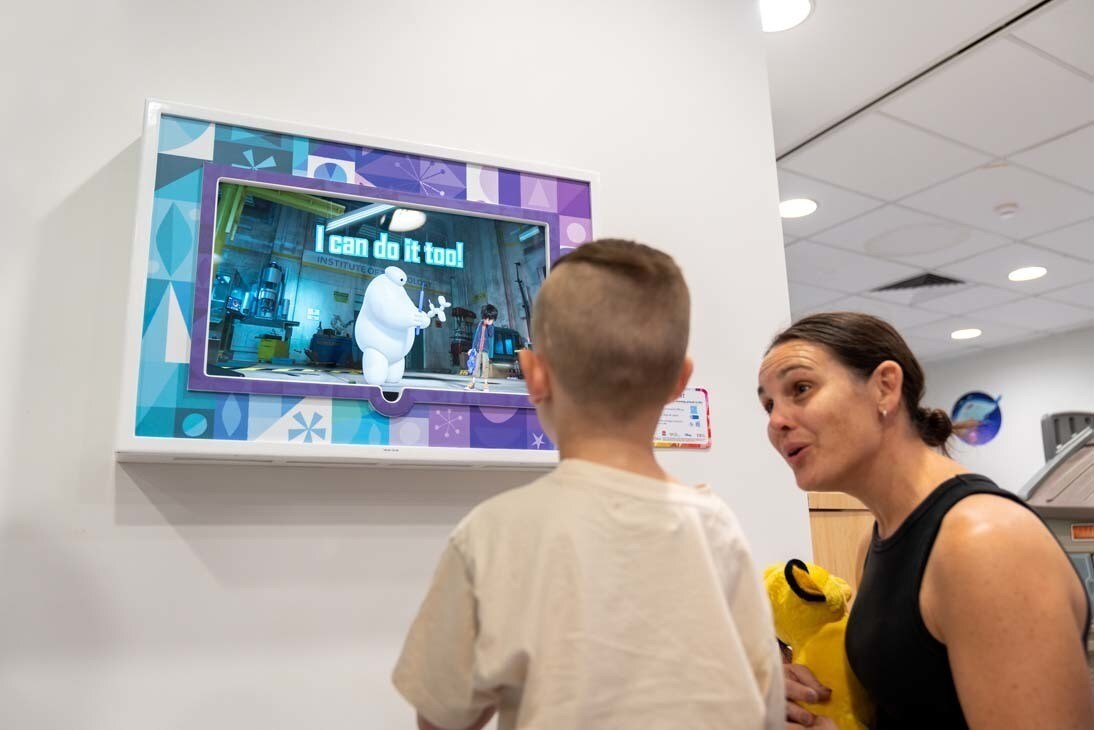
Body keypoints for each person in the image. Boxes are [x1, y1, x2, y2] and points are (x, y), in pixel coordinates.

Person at [393, 239, 784, 730]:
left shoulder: (491, 534)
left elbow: (442, 718)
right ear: (679, 381)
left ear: (534, 375)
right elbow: (766, 702)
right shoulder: (719, 529)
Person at [756, 312, 1093, 730]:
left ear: (885, 387)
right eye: (768, 404)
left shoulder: (984, 542)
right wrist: (817, 698)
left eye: (800, 389)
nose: (776, 421)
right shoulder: (876, 539)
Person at [465, 303, 497, 392]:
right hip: (478, 350)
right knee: (476, 366)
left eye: (491, 319)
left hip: (485, 350)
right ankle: (473, 383)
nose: (489, 321)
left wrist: (490, 325)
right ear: (485, 317)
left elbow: (491, 335)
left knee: (485, 367)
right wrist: (472, 348)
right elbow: (475, 337)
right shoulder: (479, 324)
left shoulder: (491, 326)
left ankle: (485, 384)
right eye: (488, 319)